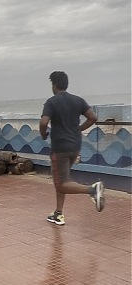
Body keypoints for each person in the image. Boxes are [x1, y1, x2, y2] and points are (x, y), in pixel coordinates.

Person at [39, 71, 105, 225]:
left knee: (61, 184)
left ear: (54, 85)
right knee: (63, 180)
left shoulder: (51, 102)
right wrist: (79, 129)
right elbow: (93, 117)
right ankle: (58, 213)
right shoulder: (78, 100)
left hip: (60, 148)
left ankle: (93, 190)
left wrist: (43, 135)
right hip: (75, 146)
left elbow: (43, 123)